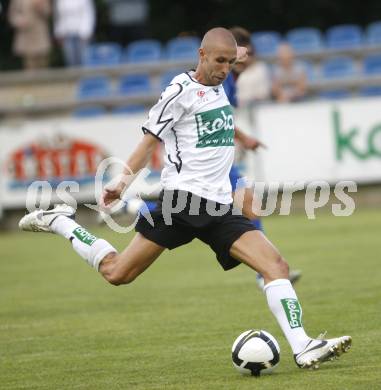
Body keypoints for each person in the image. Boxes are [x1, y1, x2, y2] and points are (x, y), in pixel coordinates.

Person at [19, 27, 351, 370]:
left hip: (220, 206)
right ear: (201, 55)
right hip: (182, 204)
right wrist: (121, 183)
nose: (224, 69)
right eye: (219, 61)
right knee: (118, 273)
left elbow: (231, 81)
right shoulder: (179, 91)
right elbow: (149, 143)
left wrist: (241, 84)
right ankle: (61, 222)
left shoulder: (221, 87)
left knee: (275, 266)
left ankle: (304, 346)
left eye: (229, 62)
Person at [224, 27, 300, 289]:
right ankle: (134, 208)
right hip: (206, 163)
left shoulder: (230, 81)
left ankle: (265, 272)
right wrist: (242, 138)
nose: (250, 59)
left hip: (219, 161)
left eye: (252, 53)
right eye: (247, 53)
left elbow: (219, 120)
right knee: (182, 213)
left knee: (250, 207)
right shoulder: (221, 80)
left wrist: (243, 138)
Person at [8, 0, 51, 70]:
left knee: (43, 64)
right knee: (29, 66)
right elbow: (12, 16)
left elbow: (47, 13)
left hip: (40, 34)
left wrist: (40, 7)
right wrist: (19, 21)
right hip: (25, 35)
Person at [53, 0, 95, 67]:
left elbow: (88, 14)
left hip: (82, 34)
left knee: (84, 61)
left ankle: (84, 77)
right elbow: (58, 16)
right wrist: (59, 32)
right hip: (67, 34)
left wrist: (87, 32)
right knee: (70, 61)